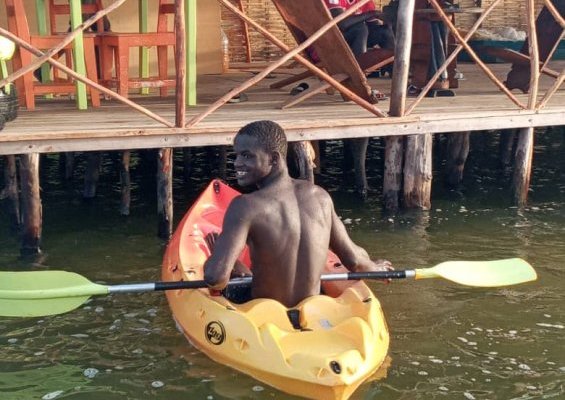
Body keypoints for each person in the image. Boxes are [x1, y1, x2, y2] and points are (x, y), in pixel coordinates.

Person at [203, 120, 393, 308]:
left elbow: (217, 279)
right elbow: (355, 261)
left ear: (274, 159)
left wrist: (215, 257)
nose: (237, 163)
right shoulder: (321, 197)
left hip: (263, 311)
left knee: (227, 271)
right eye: (236, 155)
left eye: (247, 156)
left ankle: (237, 267)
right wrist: (376, 268)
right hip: (311, 309)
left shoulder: (245, 206)